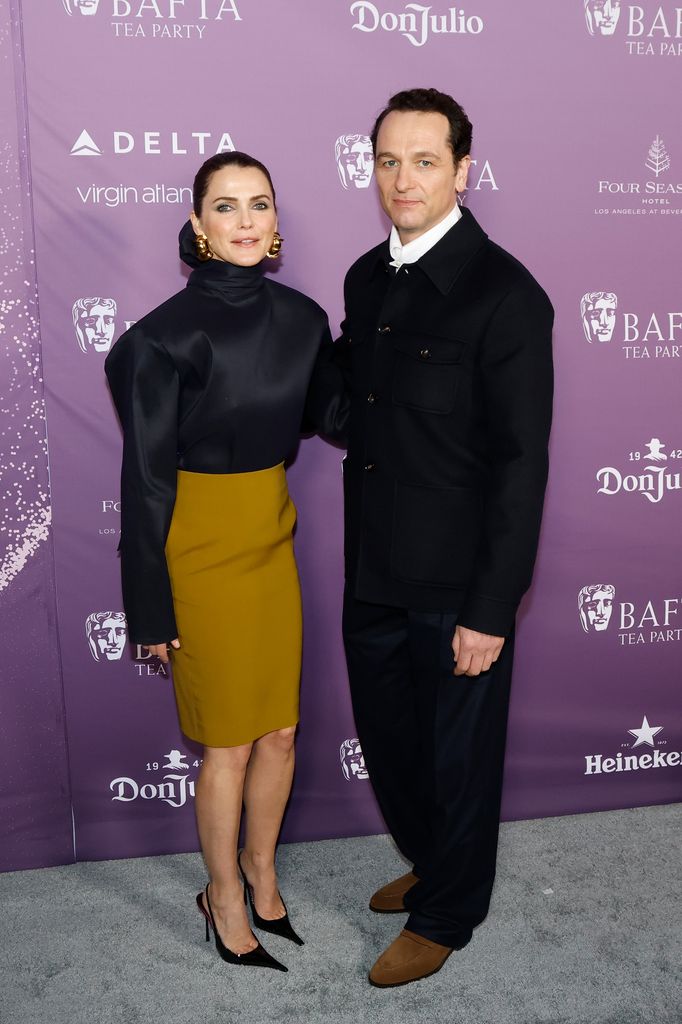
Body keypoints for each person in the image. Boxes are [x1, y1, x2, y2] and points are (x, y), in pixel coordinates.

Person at [105, 151, 346, 973]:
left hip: (270, 538)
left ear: (277, 224)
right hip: (196, 550)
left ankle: (261, 871)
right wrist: (149, 608)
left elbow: (336, 417)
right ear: (199, 227)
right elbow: (143, 485)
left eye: (259, 204)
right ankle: (223, 896)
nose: (245, 220)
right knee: (229, 747)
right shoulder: (160, 341)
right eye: (226, 206)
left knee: (279, 731)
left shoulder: (307, 321)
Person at [335, 88, 554, 987]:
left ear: (463, 169)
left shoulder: (507, 295)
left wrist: (490, 607)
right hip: (374, 569)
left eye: (424, 160)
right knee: (394, 744)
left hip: (459, 582)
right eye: (388, 159)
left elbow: (519, 464)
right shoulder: (362, 276)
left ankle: (450, 910)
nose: (403, 179)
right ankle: (435, 858)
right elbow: (354, 407)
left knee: (460, 756)